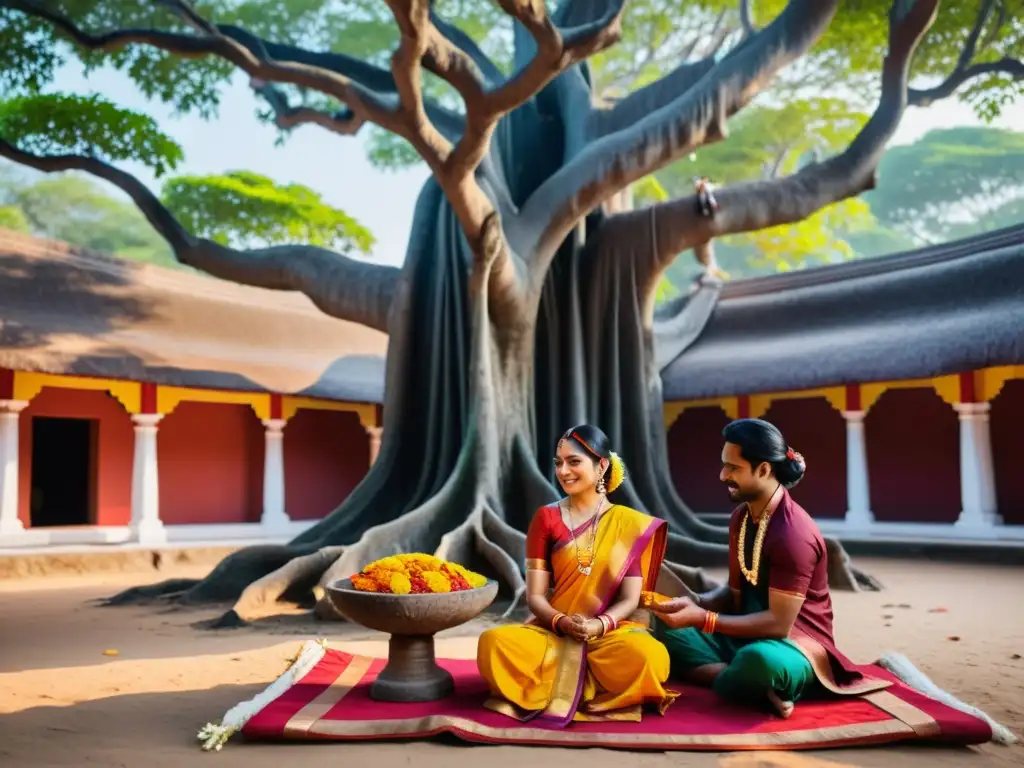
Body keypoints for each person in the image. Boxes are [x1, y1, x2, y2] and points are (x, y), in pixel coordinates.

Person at [650, 418, 891, 718]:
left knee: (759, 662)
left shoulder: (794, 534)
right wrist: (694, 604)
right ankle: (754, 688)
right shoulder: (741, 517)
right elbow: (732, 592)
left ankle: (747, 679)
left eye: (733, 468)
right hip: (740, 633)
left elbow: (779, 624)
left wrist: (705, 619)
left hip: (794, 647)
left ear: (764, 470)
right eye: (724, 465)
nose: (723, 475)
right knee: (665, 627)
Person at [477, 425, 678, 726]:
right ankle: (594, 689)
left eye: (574, 462)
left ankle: (565, 685)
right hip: (553, 633)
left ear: (602, 466)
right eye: (558, 462)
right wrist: (563, 622)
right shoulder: (546, 518)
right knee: (494, 642)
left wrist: (600, 624)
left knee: (651, 656)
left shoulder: (628, 523)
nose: (563, 470)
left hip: (609, 636)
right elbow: (534, 596)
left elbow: (630, 598)